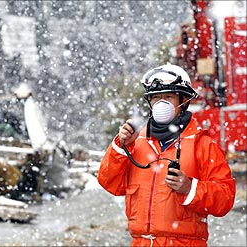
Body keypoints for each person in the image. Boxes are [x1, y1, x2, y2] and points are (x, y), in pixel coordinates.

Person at [97, 64, 236, 247]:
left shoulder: (203, 145)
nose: (161, 103)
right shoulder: (136, 142)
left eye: (168, 96)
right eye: (156, 98)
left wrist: (190, 188)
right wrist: (121, 147)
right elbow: (109, 182)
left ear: (184, 100)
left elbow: (225, 199)